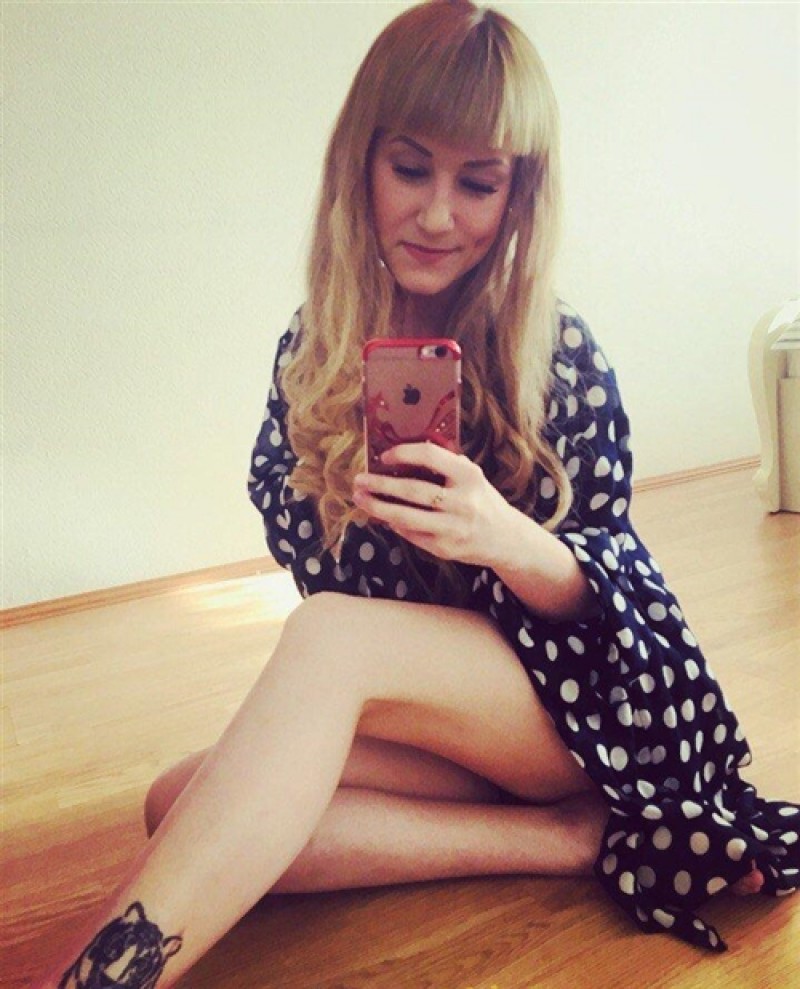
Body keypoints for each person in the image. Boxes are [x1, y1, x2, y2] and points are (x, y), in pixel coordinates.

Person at [34, 2, 799, 986]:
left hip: (590, 709)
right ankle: (564, 839)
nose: (439, 215)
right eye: (410, 169)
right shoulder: (316, 346)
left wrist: (498, 533)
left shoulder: (554, 354)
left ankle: (97, 977)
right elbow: (323, 569)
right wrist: (352, 509)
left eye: (477, 183)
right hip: (448, 714)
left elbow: (620, 604)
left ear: (517, 196)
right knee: (177, 802)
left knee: (326, 641)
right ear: (360, 163)